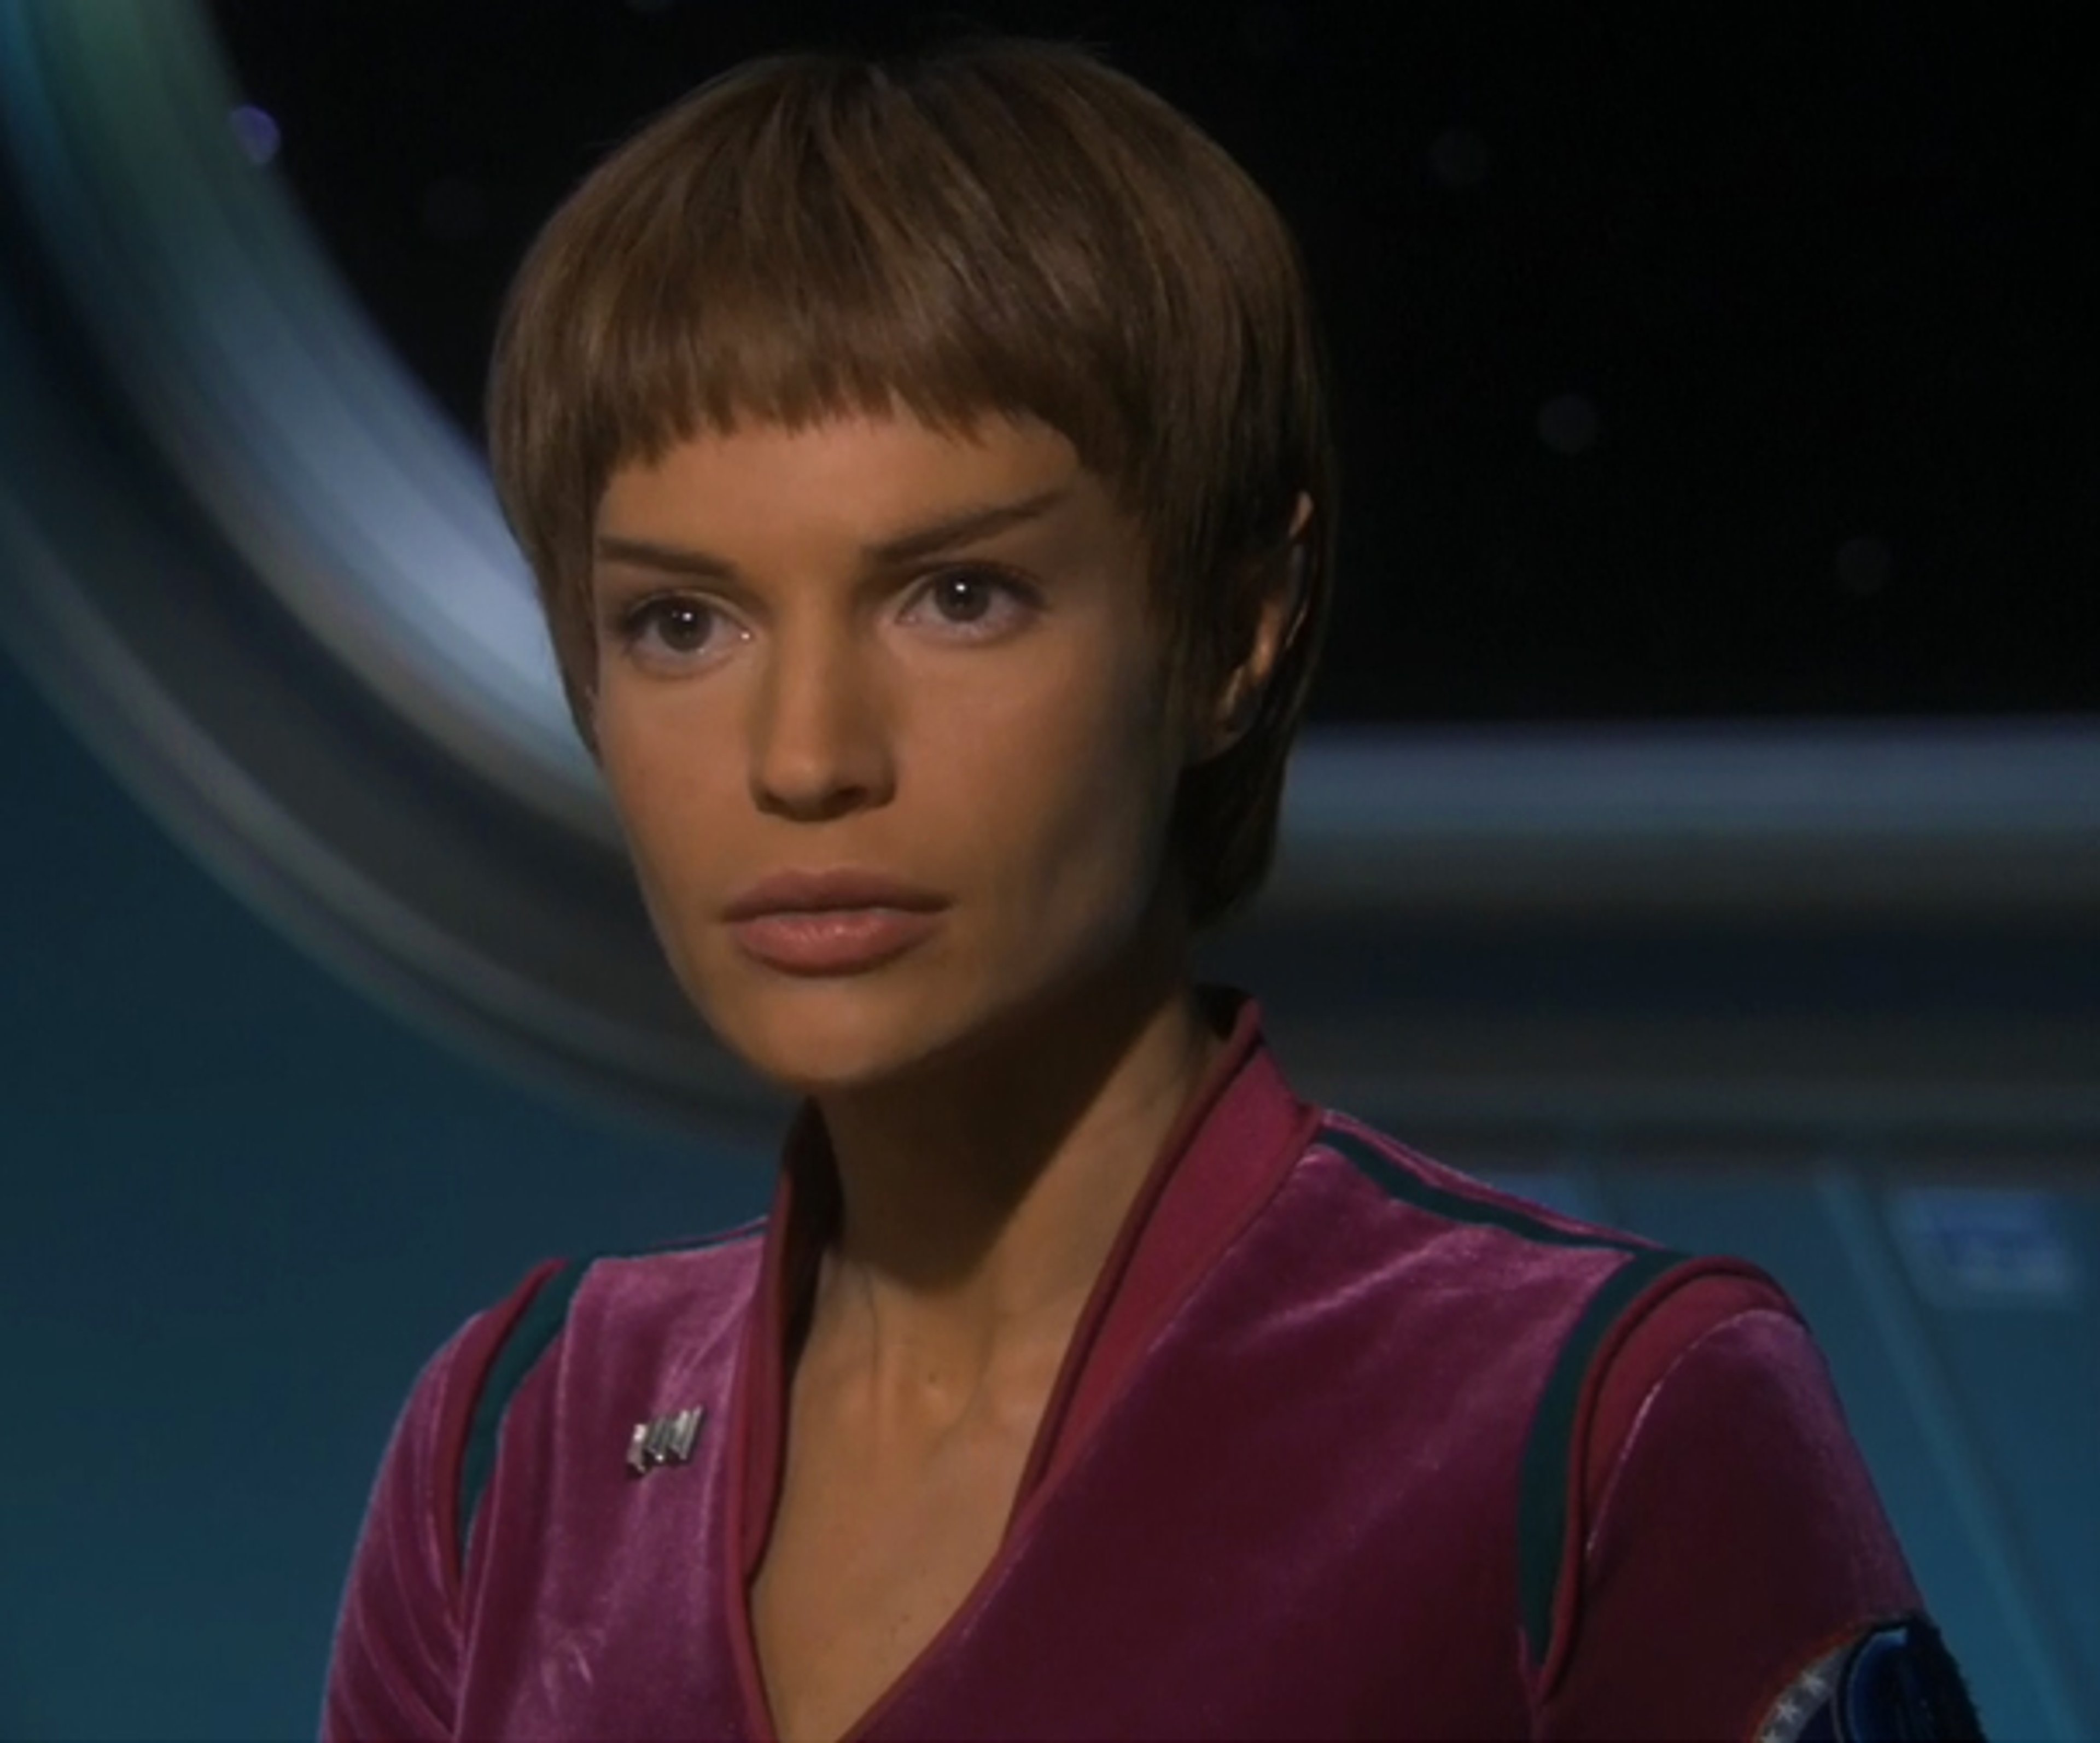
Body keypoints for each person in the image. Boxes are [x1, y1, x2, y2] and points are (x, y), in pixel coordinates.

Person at [323, 37, 1981, 1742]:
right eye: (683, 621)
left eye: (957, 593)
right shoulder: (512, 1442)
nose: (805, 754)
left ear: (1235, 630)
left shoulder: (1609, 1419)